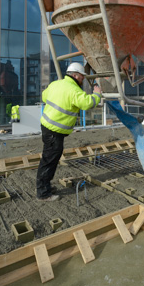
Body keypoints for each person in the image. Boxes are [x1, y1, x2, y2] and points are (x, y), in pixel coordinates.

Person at [36, 62, 101, 201]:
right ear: (75, 75)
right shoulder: (74, 90)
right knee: (49, 160)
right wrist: (97, 94)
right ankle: (43, 193)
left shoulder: (55, 84)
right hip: (54, 132)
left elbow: (44, 97)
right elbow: (87, 103)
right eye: (82, 76)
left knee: (50, 158)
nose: (83, 79)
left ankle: (45, 187)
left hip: (48, 127)